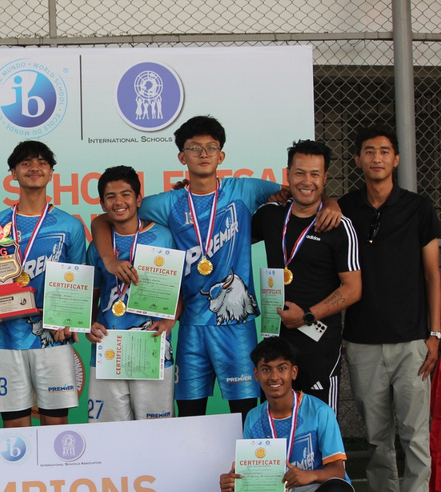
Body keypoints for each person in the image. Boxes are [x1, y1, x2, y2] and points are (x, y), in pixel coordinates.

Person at [91, 115, 340, 420]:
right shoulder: (168, 202)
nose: (204, 154)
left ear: (221, 155)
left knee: (245, 410)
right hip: (192, 323)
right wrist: (109, 260)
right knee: (190, 413)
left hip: (237, 324)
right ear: (182, 156)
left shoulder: (244, 190)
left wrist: (332, 203)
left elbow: (302, 191)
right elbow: (105, 217)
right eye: (194, 148)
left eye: (211, 147)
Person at [339, 124, 441, 492]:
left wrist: (435, 333)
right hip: (362, 341)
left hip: (412, 341)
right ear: (358, 160)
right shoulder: (344, 208)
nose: (377, 158)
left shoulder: (419, 208)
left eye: (384, 151)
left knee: (414, 436)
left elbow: (433, 273)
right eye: (369, 151)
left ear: (396, 159)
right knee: (377, 437)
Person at [194, 337, 356, 492]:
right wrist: (233, 480)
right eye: (266, 369)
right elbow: (251, 472)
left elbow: (338, 470)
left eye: (282, 368)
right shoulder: (254, 417)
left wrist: (308, 475)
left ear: (294, 372)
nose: (274, 377)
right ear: (256, 374)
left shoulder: (320, 411)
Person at [0, 141, 86, 428]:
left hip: (53, 338)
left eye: (42, 162)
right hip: (6, 339)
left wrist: (72, 320)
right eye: (26, 163)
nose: (35, 168)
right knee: (15, 430)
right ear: (13, 172)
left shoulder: (70, 225)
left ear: (51, 172)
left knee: (55, 426)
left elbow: (79, 283)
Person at [251, 140, 361, 412]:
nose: (307, 181)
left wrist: (308, 315)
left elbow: (352, 289)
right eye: (300, 173)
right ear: (288, 174)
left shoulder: (338, 225)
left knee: (320, 421)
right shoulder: (269, 216)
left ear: (325, 178)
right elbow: (230, 235)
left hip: (318, 345)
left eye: (315, 174)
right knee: (276, 420)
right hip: (275, 344)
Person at [85, 166, 177, 421]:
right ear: (102, 203)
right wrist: (87, 323)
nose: (119, 202)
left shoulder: (163, 236)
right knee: (108, 432)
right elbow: (91, 293)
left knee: (157, 432)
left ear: (138, 199)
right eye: (111, 196)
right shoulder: (98, 246)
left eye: (125, 194)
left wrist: (171, 320)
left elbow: (180, 287)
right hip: (107, 346)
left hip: (151, 344)